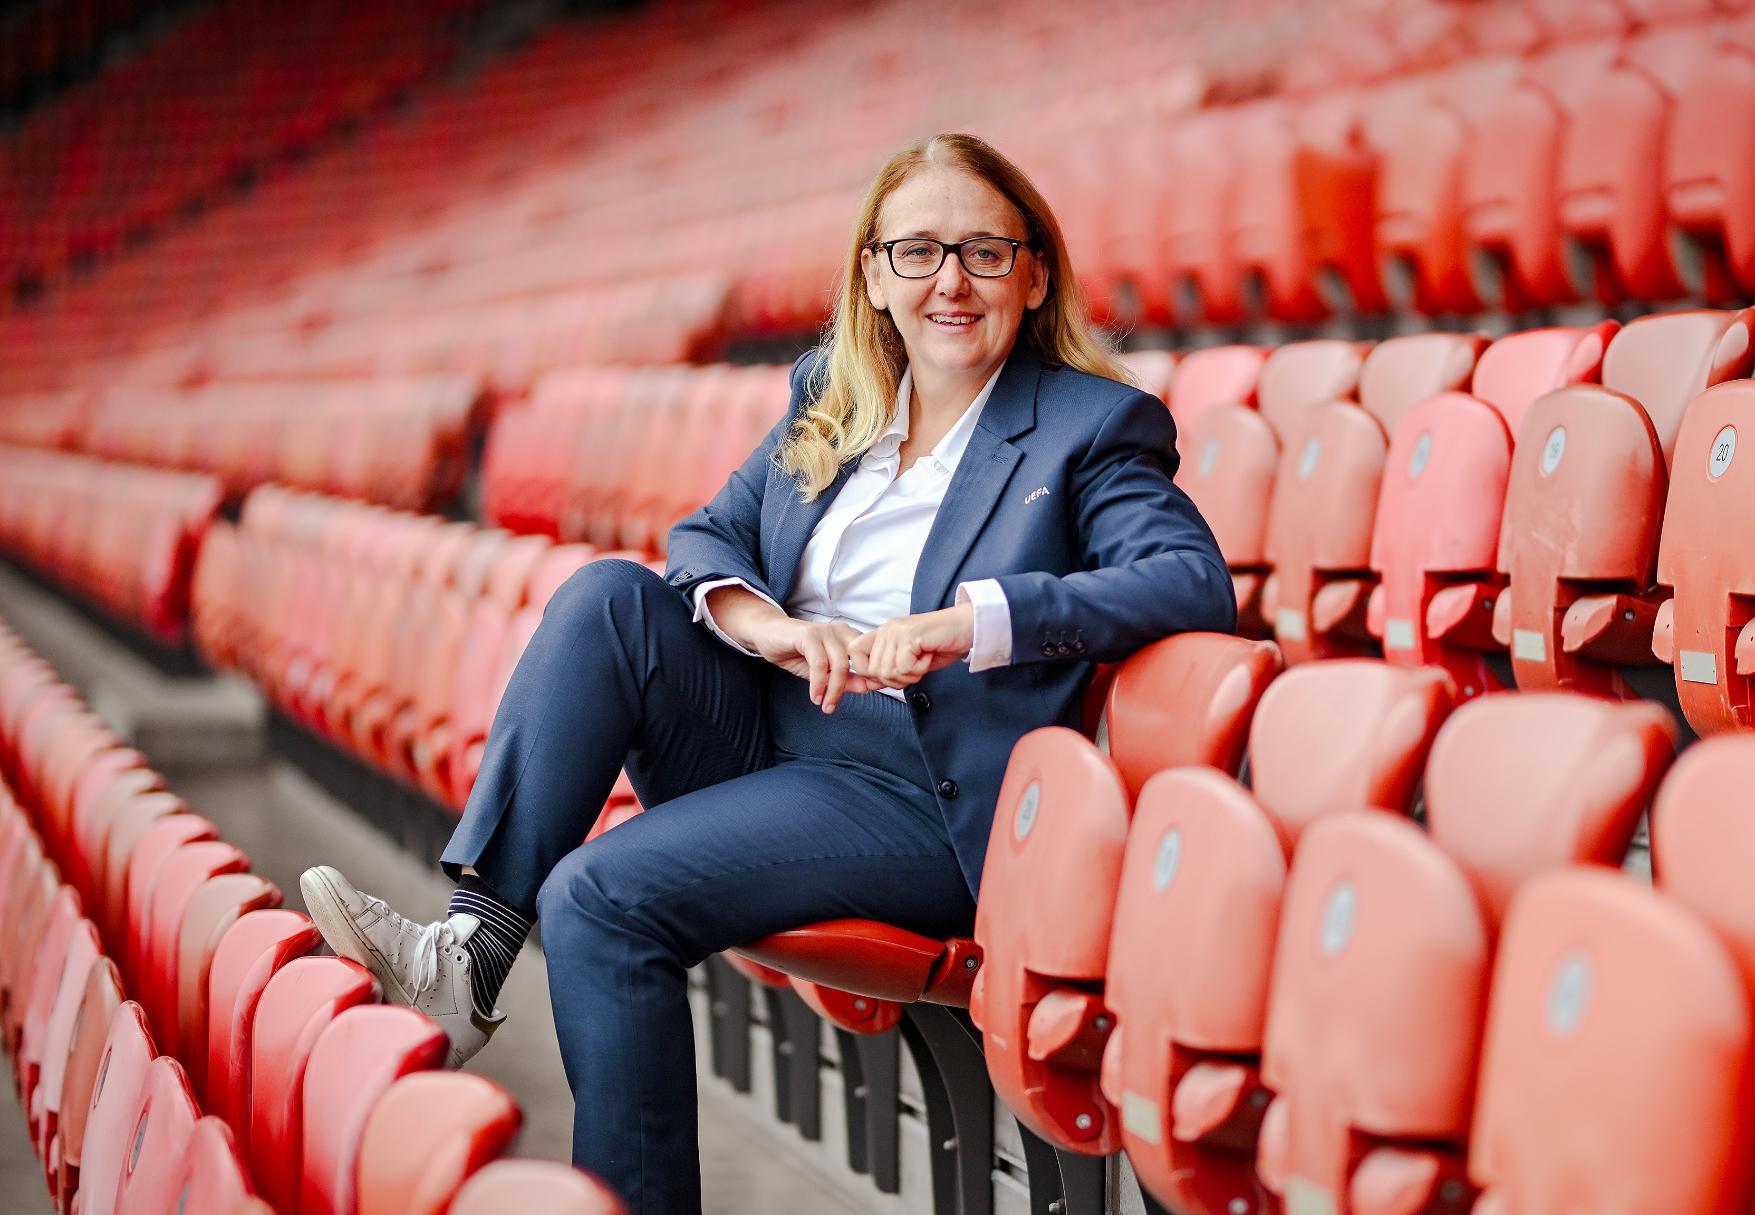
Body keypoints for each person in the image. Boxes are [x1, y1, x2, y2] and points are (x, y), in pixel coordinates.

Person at [298, 132, 1235, 1213]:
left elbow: (1188, 582)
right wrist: (774, 632)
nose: (950, 280)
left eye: (983, 251)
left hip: (921, 792)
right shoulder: (831, 398)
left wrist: (971, 621)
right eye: (918, 251)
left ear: (1032, 274)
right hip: (775, 732)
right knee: (608, 598)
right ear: (874, 277)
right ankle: (472, 954)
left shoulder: (1089, 423)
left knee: (599, 897)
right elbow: (704, 537)